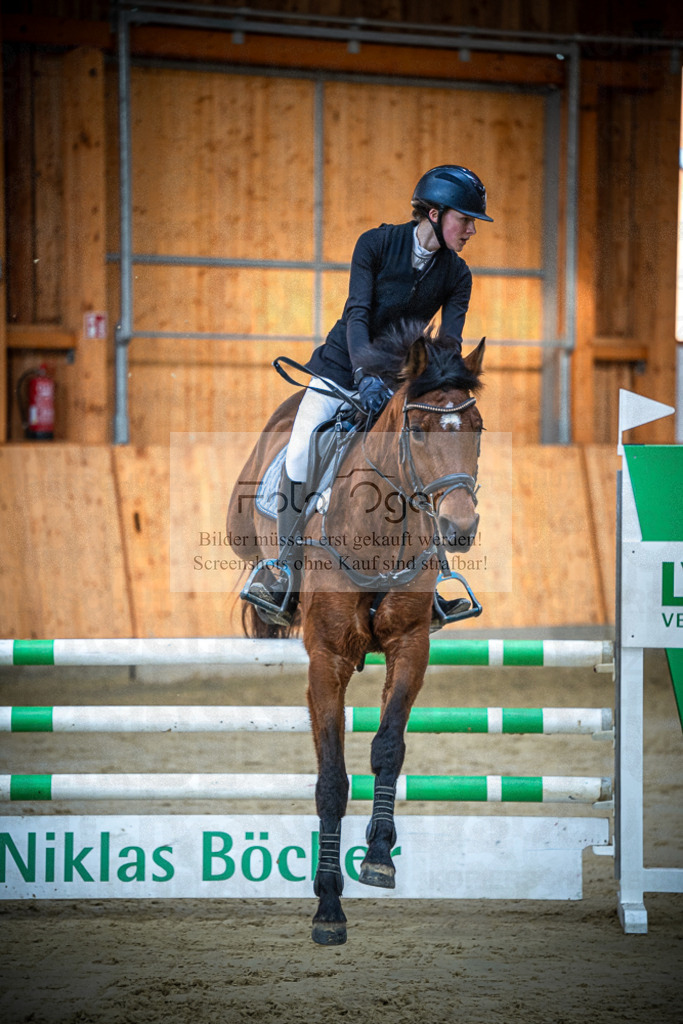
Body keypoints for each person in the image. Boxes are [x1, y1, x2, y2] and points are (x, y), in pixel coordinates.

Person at [245, 164, 493, 623]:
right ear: (435, 214)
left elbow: (450, 345)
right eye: (466, 219)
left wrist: (425, 387)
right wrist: (364, 376)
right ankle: (282, 569)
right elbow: (357, 314)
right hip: (341, 370)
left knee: (424, 464)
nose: (472, 230)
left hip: (403, 385)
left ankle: (436, 576)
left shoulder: (458, 275)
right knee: (301, 452)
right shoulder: (375, 245)